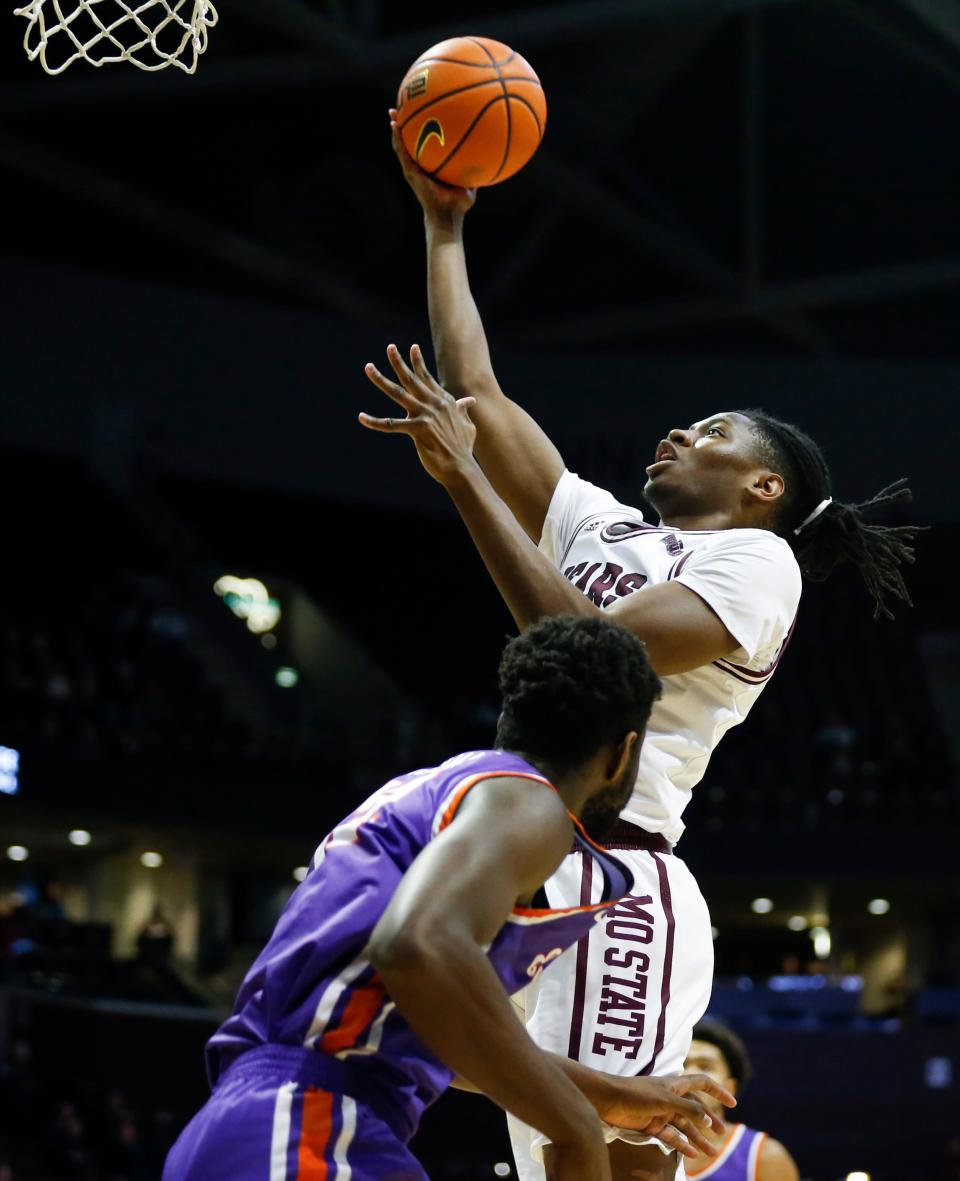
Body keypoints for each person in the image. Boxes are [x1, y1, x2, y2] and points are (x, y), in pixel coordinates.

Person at [357, 118, 923, 1181]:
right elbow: (477, 390)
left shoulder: (761, 566)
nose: (678, 434)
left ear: (765, 487)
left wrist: (466, 481)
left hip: (616, 872)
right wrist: (443, 227)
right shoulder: (608, 527)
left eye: (711, 431)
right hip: (522, 854)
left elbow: (588, 653)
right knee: (530, 1142)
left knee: (608, 1158)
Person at [163, 616, 735, 1181]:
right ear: (622, 755)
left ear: (509, 717)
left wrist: (608, 1094)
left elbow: (448, 1034)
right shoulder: (528, 803)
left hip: (265, 1121)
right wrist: (576, 1125)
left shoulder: (425, 794)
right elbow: (416, 946)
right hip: (308, 1124)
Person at [683, 1020, 799, 1181]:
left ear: (730, 1088)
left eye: (705, 1066)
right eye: (682, 1064)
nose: (690, 1074)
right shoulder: (639, 1141)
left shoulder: (764, 1156)